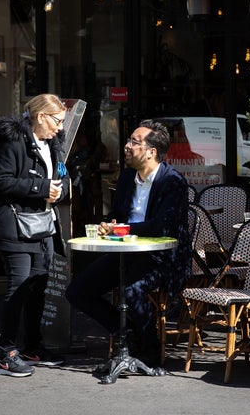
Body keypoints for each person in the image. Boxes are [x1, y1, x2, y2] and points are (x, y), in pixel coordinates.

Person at [65, 119, 191, 367]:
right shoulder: (125, 179)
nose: (126, 146)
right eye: (129, 140)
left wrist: (121, 230)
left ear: (151, 152)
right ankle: (127, 332)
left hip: (163, 258)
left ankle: (150, 351)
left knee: (132, 291)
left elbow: (161, 226)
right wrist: (108, 226)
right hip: (127, 253)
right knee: (77, 291)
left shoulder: (172, 181)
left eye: (135, 142)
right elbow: (119, 216)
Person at [0, 94, 70, 377]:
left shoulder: (52, 144)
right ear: (41, 116)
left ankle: (33, 347)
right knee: (19, 286)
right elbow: (2, 181)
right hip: (15, 225)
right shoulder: (14, 140)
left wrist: (60, 189)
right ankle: (6, 355)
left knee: (38, 287)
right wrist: (42, 188)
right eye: (56, 121)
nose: (59, 128)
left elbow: (63, 176)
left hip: (42, 225)